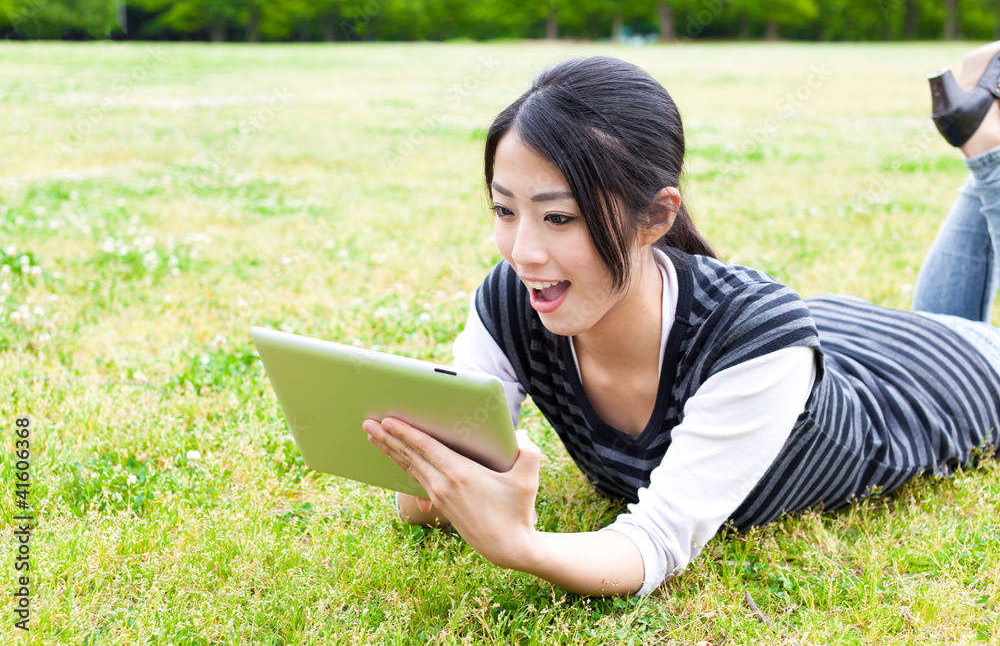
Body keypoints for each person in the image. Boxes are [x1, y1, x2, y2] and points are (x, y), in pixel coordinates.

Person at [363, 44, 1000, 597]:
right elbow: (426, 499)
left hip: (942, 380)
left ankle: (985, 146)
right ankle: (979, 133)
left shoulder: (753, 337)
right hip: (824, 339)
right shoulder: (514, 301)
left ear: (656, 217)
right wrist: (423, 471)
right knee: (935, 316)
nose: (524, 252)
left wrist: (522, 546)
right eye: (506, 210)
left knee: (954, 328)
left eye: (559, 218)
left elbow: (652, 544)